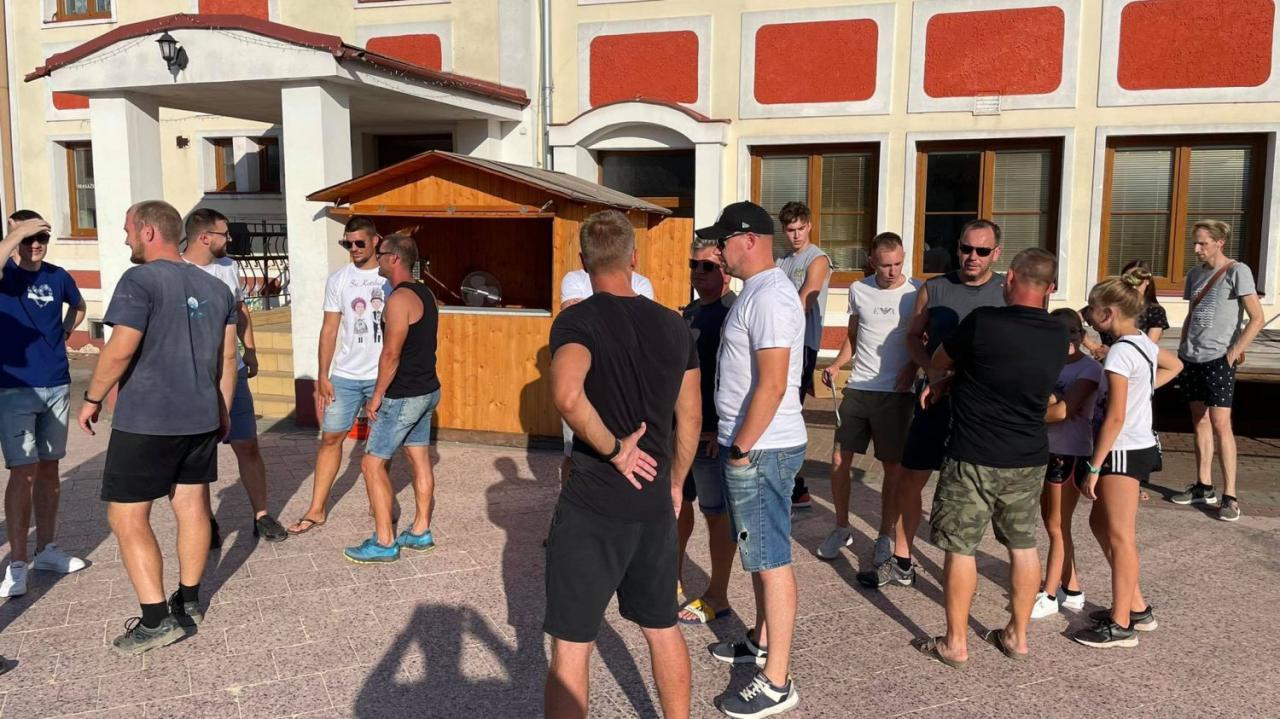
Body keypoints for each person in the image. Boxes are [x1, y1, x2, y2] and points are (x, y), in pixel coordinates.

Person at [543, 210, 699, 719]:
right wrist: (675, 484)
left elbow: (568, 396)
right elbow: (691, 417)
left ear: (583, 261)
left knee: (572, 645)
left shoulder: (577, 320)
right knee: (663, 627)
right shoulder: (675, 325)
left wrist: (615, 450)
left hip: (593, 504)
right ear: (633, 257)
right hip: (653, 502)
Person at [77, 200, 237, 655]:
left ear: (149, 232)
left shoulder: (139, 280)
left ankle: (154, 621)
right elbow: (228, 357)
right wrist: (222, 410)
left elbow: (120, 348)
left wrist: (92, 398)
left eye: (128, 230)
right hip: (201, 415)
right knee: (192, 506)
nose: (125, 238)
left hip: (149, 419)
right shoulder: (217, 288)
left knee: (127, 515)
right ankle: (189, 601)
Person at [913, 248, 1067, 668]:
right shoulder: (1058, 334)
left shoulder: (983, 322)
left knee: (961, 547)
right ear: (1050, 288)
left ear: (1010, 278)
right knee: (1022, 544)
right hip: (1028, 455)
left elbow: (941, 361)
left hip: (973, 453)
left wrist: (947, 381)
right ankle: (1018, 636)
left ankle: (956, 643)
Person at [860, 219, 1005, 589]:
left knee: (973, 492)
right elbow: (913, 336)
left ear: (996, 254)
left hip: (982, 410)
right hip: (935, 400)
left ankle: (967, 568)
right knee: (910, 478)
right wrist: (929, 368)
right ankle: (903, 560)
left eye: (982, 250)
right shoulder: (935, 288)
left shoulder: (1008, 290)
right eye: (966, 248)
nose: (972, 256)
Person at [701, 201, 805, 718]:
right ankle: (762, 640)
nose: (716, 251)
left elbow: (773, 383)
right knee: (759, 554)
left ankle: (777, 682)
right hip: (753, 445)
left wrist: (741, 448)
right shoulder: (758, 292)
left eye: (722, 242)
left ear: (748, 240)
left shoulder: (769, 298)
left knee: (771, 561)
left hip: (761, 448)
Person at [1073, 270, 1183, 648]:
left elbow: (1115, 416)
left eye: (1092, 309)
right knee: (1099, 524)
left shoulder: (1120, 351)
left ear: (1109, 312)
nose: (1088, 316)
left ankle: (1121, 624)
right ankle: (1136, 607)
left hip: (1121, 450)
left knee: (1121, 537)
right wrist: (1142, 389)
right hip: (1133, 446)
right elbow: (1175, 366)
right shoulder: (1141, 342)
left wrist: (1094, 465)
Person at [182, 208, 288, 544]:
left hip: (234, 372)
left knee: (247, 444)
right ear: (204, 237)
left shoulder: (228, 266)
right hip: (196, 378)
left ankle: (261, 515)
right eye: (224, 233)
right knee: (200, 453)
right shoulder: (176, 271)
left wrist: (250, 349)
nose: (229, 239)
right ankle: (206, 522)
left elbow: (240, 309)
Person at [0, 210, 87, 598]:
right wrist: (15, 235)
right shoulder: (6, 274)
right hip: (14, 388)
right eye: (28, 238)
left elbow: (79, 305)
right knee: (23, 471)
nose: (36, 245)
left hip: (56, 383)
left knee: (50, 468)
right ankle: (17, 564)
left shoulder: (57, 276)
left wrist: (65, 331)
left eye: (42, 238)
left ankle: (47, 549)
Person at [818, 232, 919, 567]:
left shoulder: (916, 291)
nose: (892, 271)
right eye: (885, 264)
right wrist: (836, 364)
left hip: (896, 394)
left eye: (898, 263)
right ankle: (841, 527)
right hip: (860, 387)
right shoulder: (858, 289)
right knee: (838, 459)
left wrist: (913, 367)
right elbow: (853, 335)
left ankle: (884, 535)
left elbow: (923, 339)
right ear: (872, 261)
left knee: (893, 467)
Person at [288, 217, 391, 534]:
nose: (354, 248)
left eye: (360, 242)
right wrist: (323, 375)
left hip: (381, 375)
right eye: (348, 243)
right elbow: (329, 329)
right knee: (330, 438)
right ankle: (316, 509)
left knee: (378, 445)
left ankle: (378, 504)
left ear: (375, 240)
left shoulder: (389, 278)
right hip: (345, 375)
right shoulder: (338, 279)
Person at [343, 234, 442, 563]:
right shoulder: (426, 293)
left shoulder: (398, 300)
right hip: (427, 390)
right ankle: (420, 531)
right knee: (419, 458)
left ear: (395, 258)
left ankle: (385, 541)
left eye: (381, 253)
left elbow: (391, 355)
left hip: (403, 395)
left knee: (371, 463)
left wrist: (376, 397)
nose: (376, 258)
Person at [1170, 220, 1264, 521]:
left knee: (1221, 423)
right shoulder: (1194, 274)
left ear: (1220, 242)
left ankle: (1230, 496)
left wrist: (1233, 353)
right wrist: (1183, 345)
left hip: (1218, 358)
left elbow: (1257, 317)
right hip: (1192, 357)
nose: (1197, 248)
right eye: (1195, 242)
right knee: (1199, 420)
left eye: (1203, 243)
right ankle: (1204, 485)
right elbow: (1191, 314)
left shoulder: (1238, 271)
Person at [675, 237, 737, 626]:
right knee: (677, 507)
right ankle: (672, 579)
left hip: (711, 436)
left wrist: (721, 429)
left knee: (717, 516)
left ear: (726, 271)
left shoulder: (734, 313)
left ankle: (718, 594)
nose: (698, 272)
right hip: (681, 431)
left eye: (708, 266)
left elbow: (738, 377)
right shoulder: (692, 311)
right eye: (693, 264)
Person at [1032, 308, 1103, 620]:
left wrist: (1025, 413)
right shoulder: (1044, 363)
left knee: (1057, 524)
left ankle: (1048, 593)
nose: (1067, 338)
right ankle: (1071, 588)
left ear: (1082, 334)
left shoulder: (1089, 368)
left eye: (1073, 331)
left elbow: (1064, 410)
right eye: (1059, 332)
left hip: (1070, 451)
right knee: (1050, 520)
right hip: (1043, 449)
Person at [557, 264, 655, 483]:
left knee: (625, 449)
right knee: (573, 454)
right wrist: (620, 317)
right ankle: (568, 498)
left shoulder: (641, 283)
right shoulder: (574, 279)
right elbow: (570, 315)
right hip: (582, 384)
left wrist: (588, 313)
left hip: (622, 384)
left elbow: (643, 328)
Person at [774, 201, 830, 509]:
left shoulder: (817, 258)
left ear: (809, 226)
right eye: (790, 230)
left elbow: (805, 300)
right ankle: (786, 479)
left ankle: (797, 485)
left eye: (800, 228)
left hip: (803, 344)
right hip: (780, 341)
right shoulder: (782, 260)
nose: (795, 235)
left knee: (791, 409)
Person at [1081, 259, 1169, 357]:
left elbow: (1147, 348)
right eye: (1128, 278)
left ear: (1147, 281)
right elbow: (1072, 319)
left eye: (1137, 278)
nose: (1132, 284)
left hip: (1132, 361)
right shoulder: (1110, 304)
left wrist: (1111, 352)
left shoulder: (1155, 310)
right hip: (1106, 362)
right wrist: (1092, 346)